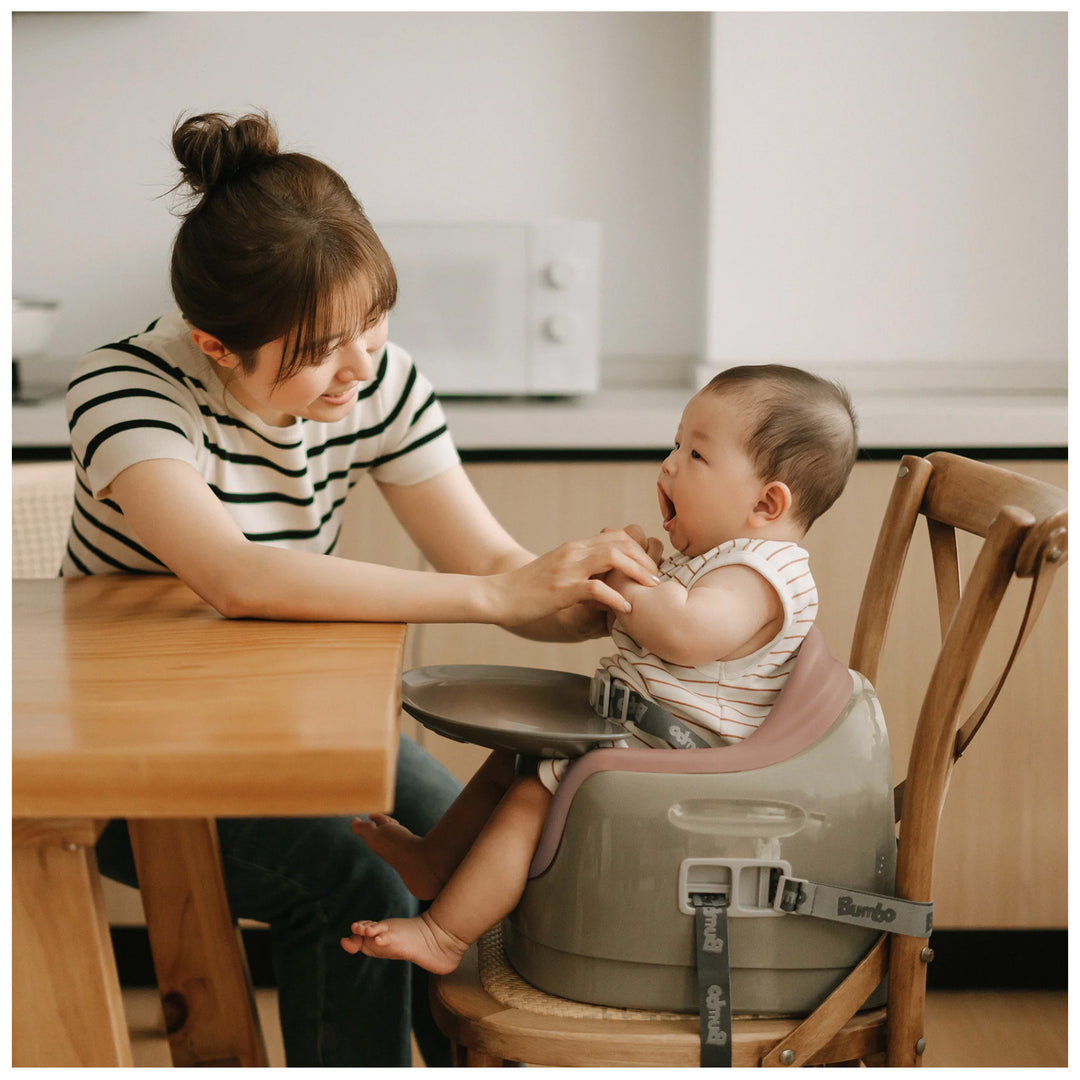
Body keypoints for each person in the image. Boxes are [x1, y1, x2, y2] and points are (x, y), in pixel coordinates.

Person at [63, 110, 660, 1068]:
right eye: (316, 350)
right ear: (218, 346)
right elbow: (239, 577)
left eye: (373, 323)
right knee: (364, 885)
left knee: (480, 862)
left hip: (299, 739)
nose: (360, 366)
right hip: (140, 777)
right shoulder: (127, 389)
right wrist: (505, 599)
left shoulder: (374, 380)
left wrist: (594, 590)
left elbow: (493, 566)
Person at [341, 363, 858, 976]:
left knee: (537, 789)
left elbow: (687, 634)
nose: (669, 465)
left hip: (693, 758)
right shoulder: (722, 559)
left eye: (696, 455)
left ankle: (443, 933)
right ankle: (432, 862)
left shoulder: (763, 572)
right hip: (650, 733)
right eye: (675, 444)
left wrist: (626, 576)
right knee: (514, 756)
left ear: (767, 502)